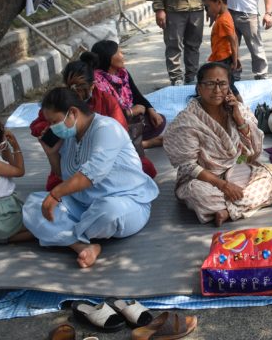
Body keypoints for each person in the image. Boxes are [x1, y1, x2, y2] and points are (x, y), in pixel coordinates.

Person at [22, 88, 160, 268]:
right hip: (80, 205)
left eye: (54, 121)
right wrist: (52, 154)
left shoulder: (106, 128)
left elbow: (92, 174)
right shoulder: (70, 135)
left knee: (109, 212)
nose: (52, 128)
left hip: (125, 201)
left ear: (72, 112)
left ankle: (57, 233)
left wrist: (55, 194)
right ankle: (81, 245)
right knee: (33, 205)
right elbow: (63, 175)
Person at [163, 63, 272, 227]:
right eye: (210, 84)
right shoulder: (187, 120)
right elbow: (188, 166)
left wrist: (238, 119)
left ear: (229, 87)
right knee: (199, 194)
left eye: (222, 84)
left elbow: (252, 152)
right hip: (205, 179)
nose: (216, 90)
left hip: (237, 167)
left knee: (270, 178)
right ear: (199, 88)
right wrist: (223, 185)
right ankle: (245, 205)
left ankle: (227, 212)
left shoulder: (238, 110)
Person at [30, 53, 157, 191]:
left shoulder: (105, 110)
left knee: (136, 171)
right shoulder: (59, 105)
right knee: (60, 185)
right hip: (71, 156)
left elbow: (118, 131)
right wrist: (54, 130)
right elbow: (38, 125)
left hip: (103, 151)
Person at [91, 40, 166, 149]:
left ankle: (132, 143)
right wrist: (132, 111)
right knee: (110, 136)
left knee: (159, 121)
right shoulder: (97, 83)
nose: (122, 55)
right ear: (108, 58)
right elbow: (106, 117)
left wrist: (151, 110)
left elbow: (137, 95)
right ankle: (143, 144)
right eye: (118, 52)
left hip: (127, 119)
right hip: (112, 124)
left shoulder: (122, 73)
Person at [202, 0, 239, 77]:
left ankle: (234, 92)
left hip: (223, 59)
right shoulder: (224, 16)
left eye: (208, 6)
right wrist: (211, 15)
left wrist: (235, 61)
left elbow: (233, 40)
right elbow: (235, 37)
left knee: (226, 83)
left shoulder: (224, 20)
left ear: (219, 2)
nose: (207, 10)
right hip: (221, 57)